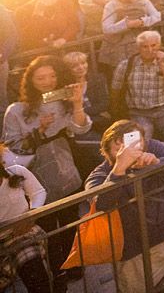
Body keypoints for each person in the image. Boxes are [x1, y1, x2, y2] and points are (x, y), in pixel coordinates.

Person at [2, 56, 89, 277]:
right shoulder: (16, 110)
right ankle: (56, 271)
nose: (48, 81)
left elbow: (81, 129)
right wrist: (38, 132)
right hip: (35, 175)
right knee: (47, 226)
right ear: (30, 80)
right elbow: (10, 147)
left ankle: (74, 265)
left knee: (71, 220)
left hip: (65, 169)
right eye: (41, 77)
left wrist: (77, 102)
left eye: (52, 76)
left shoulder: (63, 100)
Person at [84, 120, 164, 293]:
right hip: (138, 251)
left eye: (133, 144)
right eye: (119, 149)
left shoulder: (152, 148)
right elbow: (100, 203)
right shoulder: (99, 175)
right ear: (106, 151)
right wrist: (119, 169)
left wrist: (156, 163)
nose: (128, 152)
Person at [111, 31, 164, 142]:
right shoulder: (126, 65)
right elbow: (115, 90)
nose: (150, 50)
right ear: (138, 48)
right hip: (138, 112)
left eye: (153, 45)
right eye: (145, 46)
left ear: (159, 45)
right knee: (139, 144)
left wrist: (161, 64)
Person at [0, 156, 52, 293]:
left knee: (38, 280)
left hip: (24, 236)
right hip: (1, 242)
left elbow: (39, 192)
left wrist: (31, 214)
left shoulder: (16, 172)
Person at [99, 0, 162, 80]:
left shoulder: (144, 2)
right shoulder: (111, 5)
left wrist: (143, 21)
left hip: (141, 44)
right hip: (119, 46)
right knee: (123, 75)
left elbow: (157, 16)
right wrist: (126, 25)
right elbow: (106, 28)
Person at [13, 0, 78, 55]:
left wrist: (63, 39)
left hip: (67, 47)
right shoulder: (22, 10)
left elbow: (74, 24)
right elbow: (27, 36)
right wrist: (38, 13)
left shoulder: (64, 1)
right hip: (40, 53)